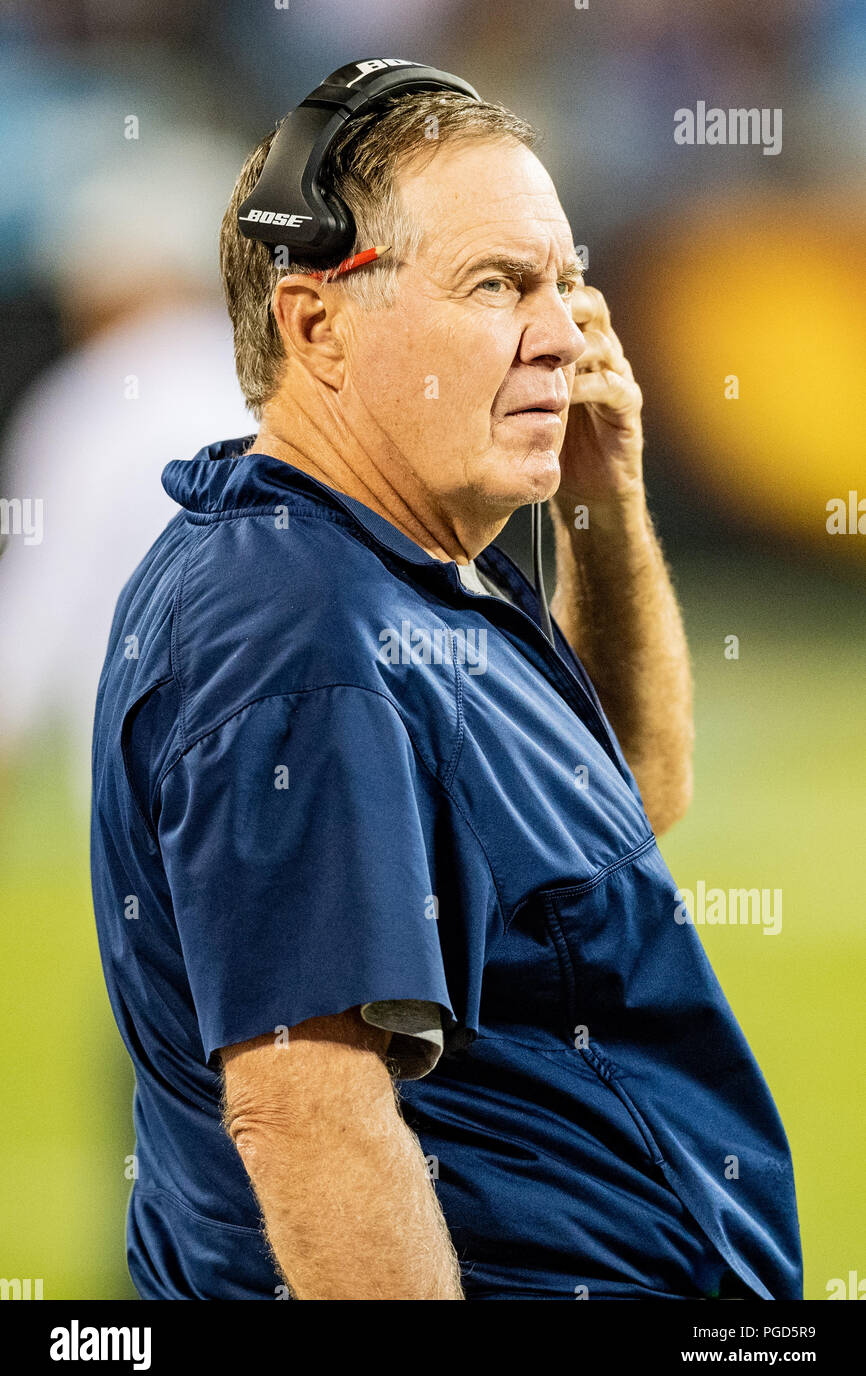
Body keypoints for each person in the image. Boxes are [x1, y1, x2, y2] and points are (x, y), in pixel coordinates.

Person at [90, 86, 803, 1300]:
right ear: (315, 325)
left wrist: (602, 496)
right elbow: (311, 1120)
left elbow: (623, 801)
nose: (565, 336)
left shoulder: (388, 569)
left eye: (561, 283)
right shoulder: (302, 633)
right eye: (496, 286)